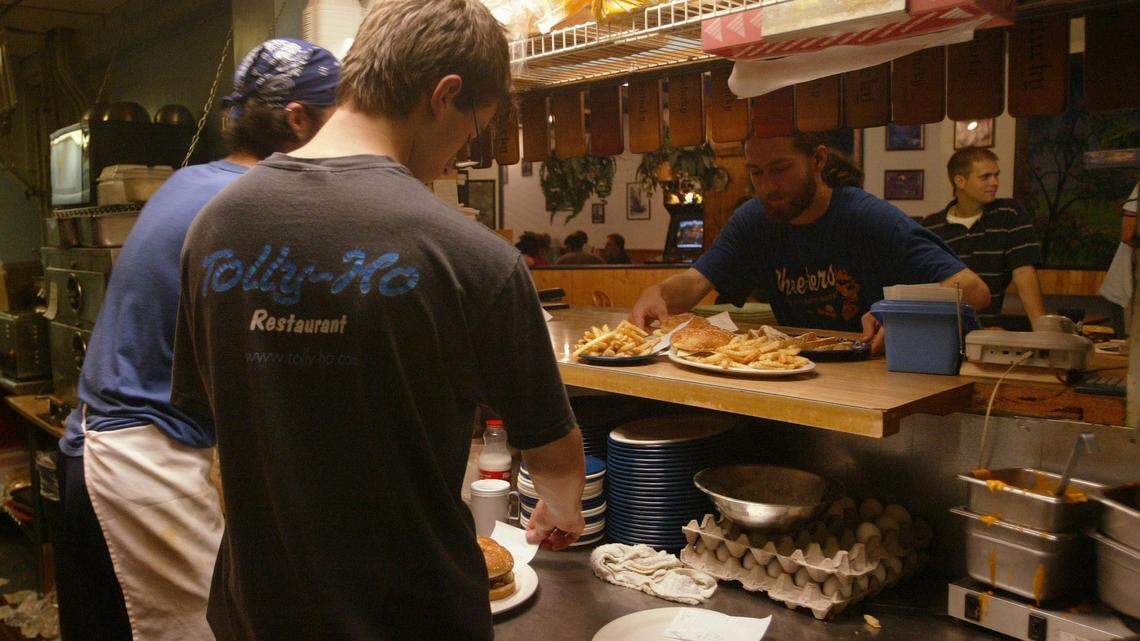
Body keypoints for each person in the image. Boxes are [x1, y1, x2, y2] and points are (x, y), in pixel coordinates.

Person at [170, 2, 585, 639]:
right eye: (473, 129)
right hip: (410, 616)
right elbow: (554, 455)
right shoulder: (473, 256)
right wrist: (560, 509)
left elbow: (212, 411)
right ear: (444, 96)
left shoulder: (214, 228)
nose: (456, 156)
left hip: (258, 612)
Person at [53, 39, 340, 641]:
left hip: (109, 451)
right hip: (142, 463)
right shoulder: (253, 203)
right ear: (298, 120)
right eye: (339, 119)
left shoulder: (195, 181)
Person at [630, 132, 989, 353]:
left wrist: (896, 313)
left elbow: (973, 290)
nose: (767, 186)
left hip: (875, 374)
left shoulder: (865, 215)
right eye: (756, 173)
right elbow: (694, 283)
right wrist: (658, 293)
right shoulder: (754, 220)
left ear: (818, 159)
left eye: (780, 169)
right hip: (798, 374)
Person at [921, 147, 1046, 327]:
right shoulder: (931, 226)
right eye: (985, 177)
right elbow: (923, 283)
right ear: (960, 181)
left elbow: (1024, 272)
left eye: (996, 175)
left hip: (989, 329)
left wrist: (1042, 329)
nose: (994, 182)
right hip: (941, 327)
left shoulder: (1009, 213)